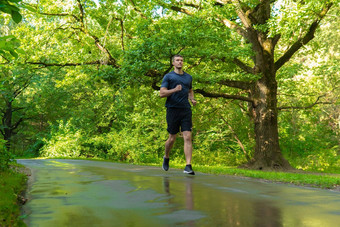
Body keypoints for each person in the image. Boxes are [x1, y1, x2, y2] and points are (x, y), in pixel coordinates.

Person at [159, 54, 197, 175]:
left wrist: (192, 99)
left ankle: (188, 166)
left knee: (187, 136)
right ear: (173, 63)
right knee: (172, 138)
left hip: (185, 109)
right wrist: (174, 90)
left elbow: (190, 90)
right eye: (177, 60)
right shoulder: (168, 77)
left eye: (181, 60)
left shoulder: (188, 77)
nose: (180, 62)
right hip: (172, 109)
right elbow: (161, 93)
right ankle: (166, 156)